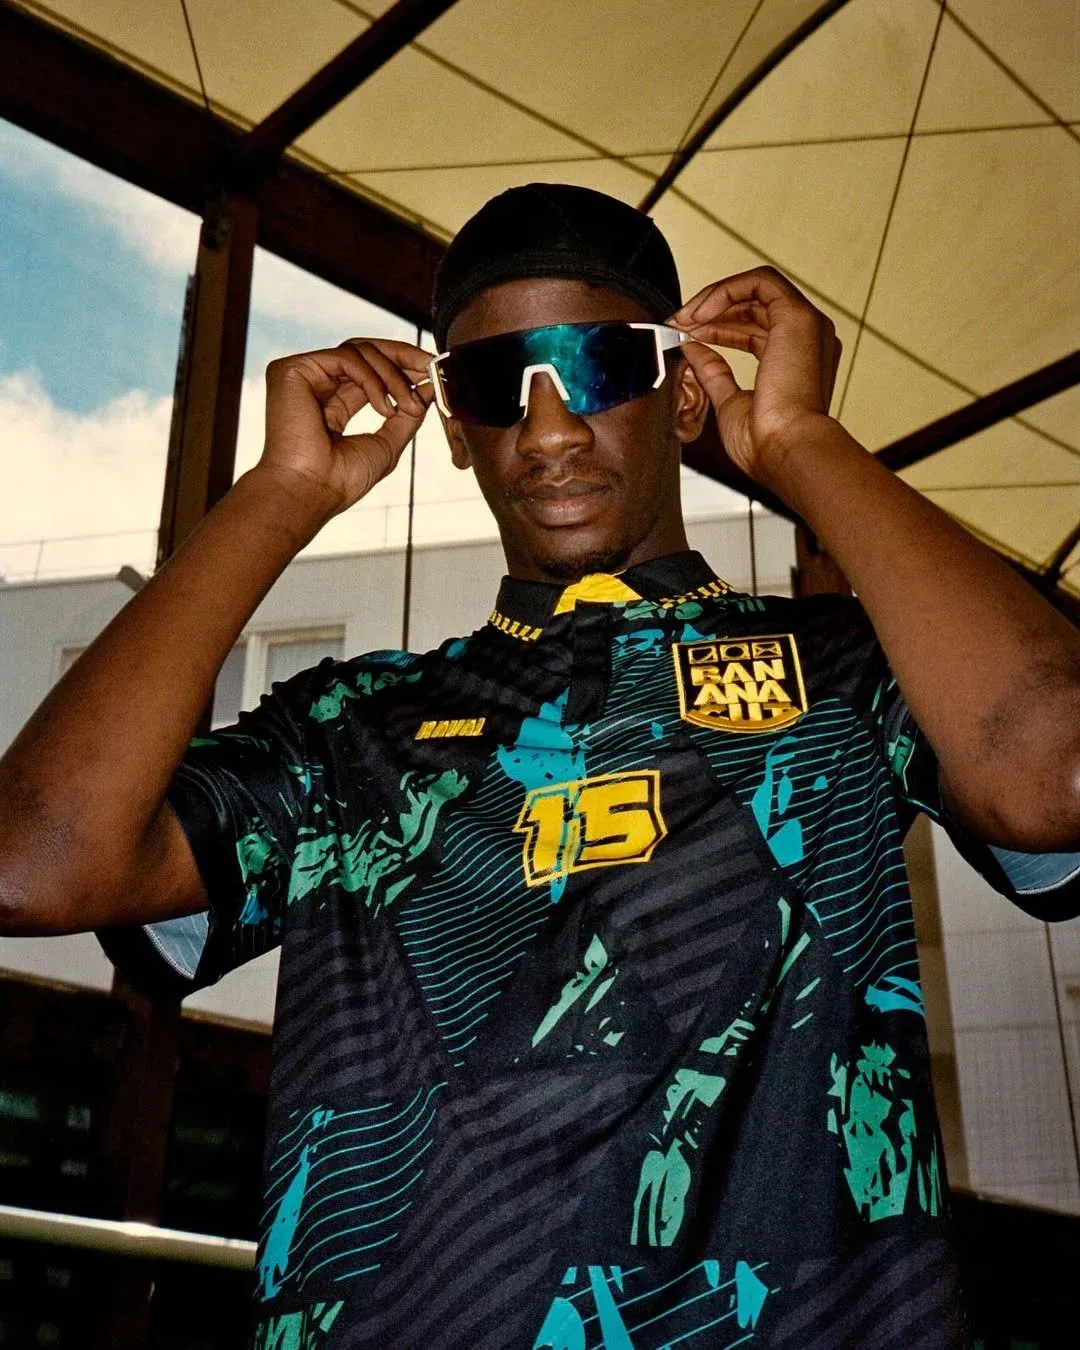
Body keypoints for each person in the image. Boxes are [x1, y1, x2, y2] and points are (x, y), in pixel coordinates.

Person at [1, 183, 1079, 1349]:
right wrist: (277, 497)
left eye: (601, 365)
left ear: (682, 394)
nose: (550, 429)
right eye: (492, 384)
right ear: (452, 429)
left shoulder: (849, 670)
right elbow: (33, 862)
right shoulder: (347, 730)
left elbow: (1055, 773)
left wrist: (804, 445)